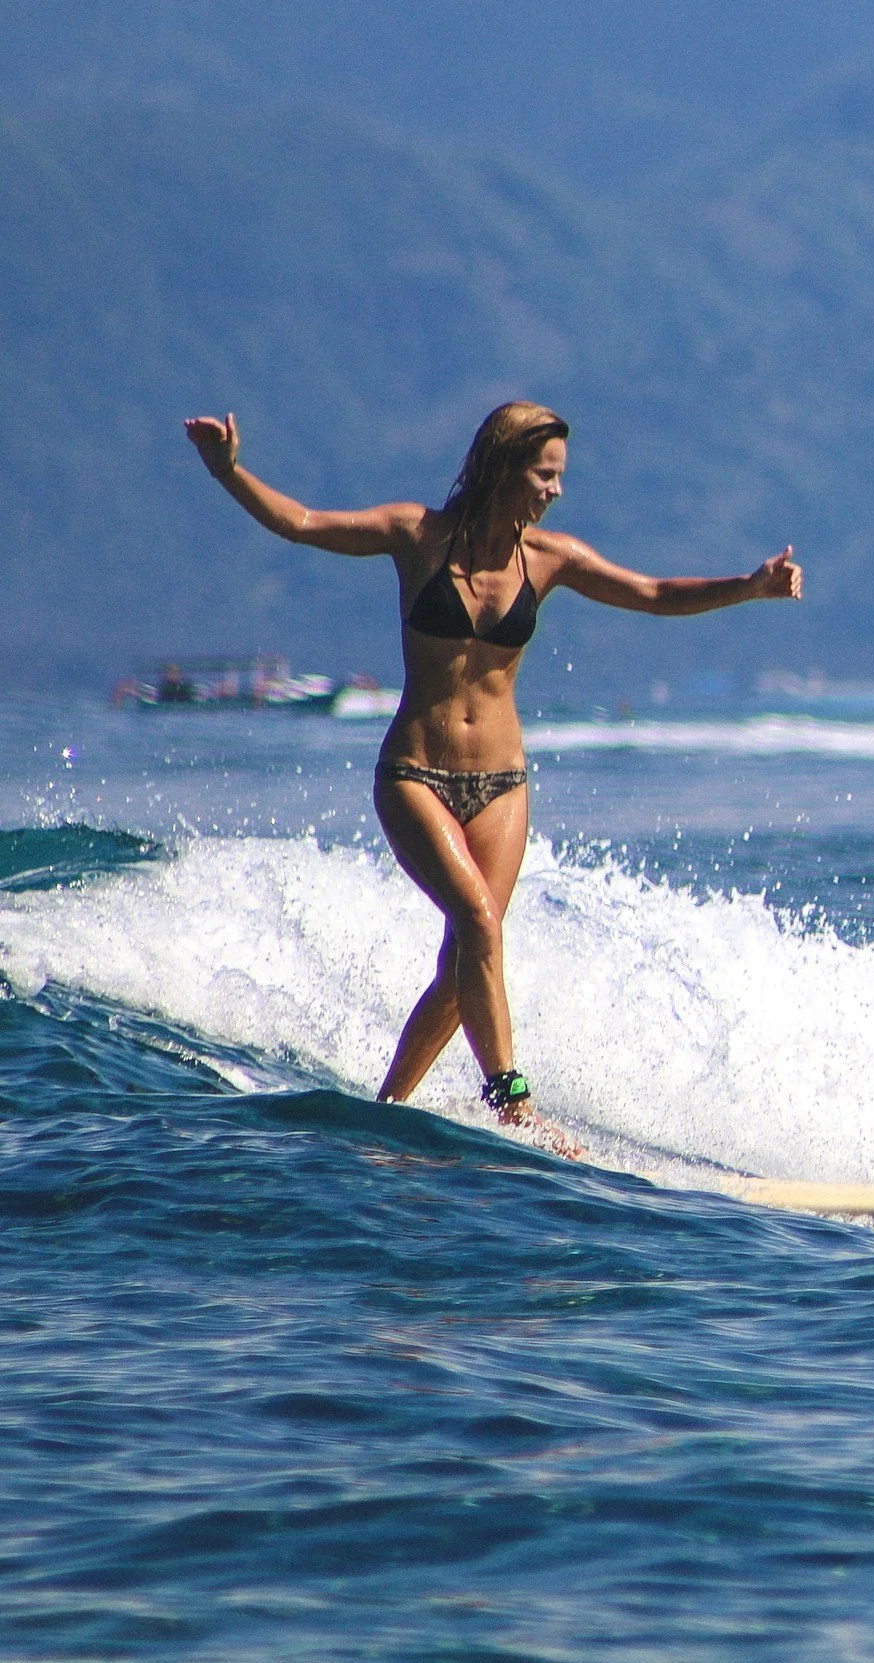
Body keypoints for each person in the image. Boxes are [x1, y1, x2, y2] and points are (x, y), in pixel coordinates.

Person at [183, 401, 801, 1151]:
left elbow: (652, 593)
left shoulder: (550, 559)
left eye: (560, 478)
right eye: (546, 475)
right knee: (478, 923)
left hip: (502, 786)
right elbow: (302, 523)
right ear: (505, 467)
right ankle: (512, 1102)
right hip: (414, 773)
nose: (556, 491)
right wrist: (229, 471)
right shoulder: (416, 535)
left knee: (465, 957)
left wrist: (750, 585)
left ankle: (388, 1108)